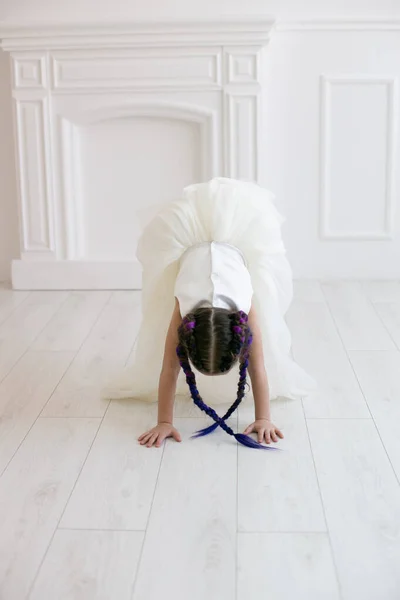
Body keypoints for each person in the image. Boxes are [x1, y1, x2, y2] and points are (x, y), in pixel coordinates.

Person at [118, 178, 316, 449]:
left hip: (233, 248)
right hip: (193, 249)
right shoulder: (183, 305)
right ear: (186, 337)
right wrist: (164, 421)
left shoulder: (245, 306)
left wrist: (264, 418)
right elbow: (168, 369)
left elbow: (258, 368)